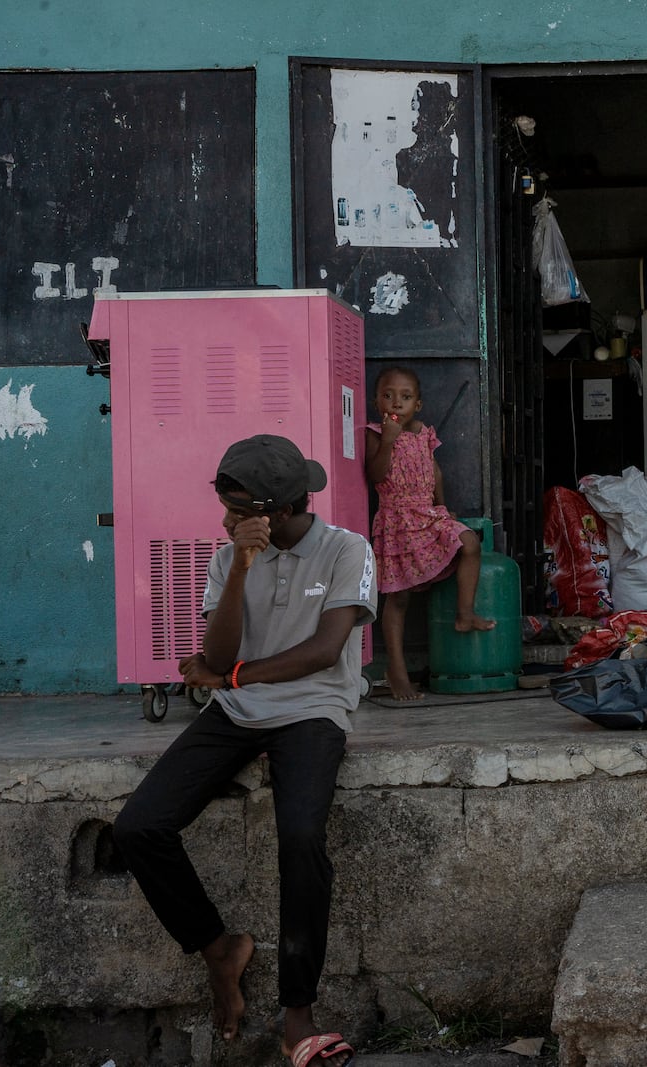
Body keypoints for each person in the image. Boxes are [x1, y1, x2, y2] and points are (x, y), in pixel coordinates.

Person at [113, 434, 376, 1066]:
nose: (225, 521)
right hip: (239, 712)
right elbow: (221, 654)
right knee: (139, 827)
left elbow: (322, 651)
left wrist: (228, 678)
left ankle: (298, 1015)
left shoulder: (348, 550)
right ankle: (218, 948)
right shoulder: (230, 556)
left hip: (314, 710)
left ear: (277, 512)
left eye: (237, 512)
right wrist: (239, 566)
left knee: (302, 838)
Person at [366, 366, 495, 701]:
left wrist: (443, 506)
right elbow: (376, 475)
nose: (396, 402)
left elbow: (434, 471)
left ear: (418, 405)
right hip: (396, 520)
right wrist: (388, 442)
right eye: (388, 395)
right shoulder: (375, 433)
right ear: (375, 400)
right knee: (399, 597)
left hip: (426, 513)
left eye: (405, 397)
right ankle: (395, 669)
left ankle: (464, 615)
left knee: (469, 542)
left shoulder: (425, 432)